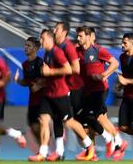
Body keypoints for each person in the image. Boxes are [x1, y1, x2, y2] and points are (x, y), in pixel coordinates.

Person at [28, 29, 95, 162]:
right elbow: (48, 75)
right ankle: (43, 152)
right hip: (49, 94)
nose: (41, 41)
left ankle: (89, 145)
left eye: (43, 39)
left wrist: (50, 72)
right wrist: (41, 83)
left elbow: (69, 69)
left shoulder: (57, 52)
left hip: (60, 93)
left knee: (69, 122)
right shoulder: (47, 53)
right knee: (43, 120)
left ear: (50, 39)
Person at [76, 26, 128, 160]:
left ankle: (112, 140)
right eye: (78, 36)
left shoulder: (98, 50)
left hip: (99, 90)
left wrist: (103, 74)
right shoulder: (77, 51)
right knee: (90, 120)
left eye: (81, 36)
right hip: (86, 91)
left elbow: (115, 63)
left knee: (94, 118)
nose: (78, 38)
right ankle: (112, 144)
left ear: (89, 36)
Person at [14, 37, 45, 144]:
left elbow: (47, 79)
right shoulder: (25, 64)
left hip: (42, 100)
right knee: (33, 126)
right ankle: (43, 149)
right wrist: (18, 81)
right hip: (32, 100)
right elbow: (27, 82)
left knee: (41, 124)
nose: (25, 47)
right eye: (25, 45)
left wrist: (39, 85)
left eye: (29, 46)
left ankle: (46, 149)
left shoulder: (40, 62)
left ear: (35, 48)